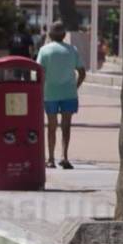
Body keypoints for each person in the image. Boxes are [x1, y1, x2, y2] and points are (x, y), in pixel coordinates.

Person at [36, 21, 86, 169]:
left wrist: (40, 89)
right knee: (66, 126)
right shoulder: (72, 50)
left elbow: (39, 72)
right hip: (68, 93)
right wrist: (75, 87)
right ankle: (64, 156)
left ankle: (50, 159)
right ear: (64, 35)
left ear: (49, 35)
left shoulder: (44, 50)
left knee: (51, 126)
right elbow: (82, 73)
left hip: (49, 93)